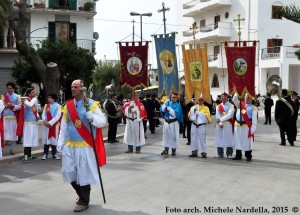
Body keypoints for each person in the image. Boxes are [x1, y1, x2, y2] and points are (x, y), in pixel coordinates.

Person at [57, 80, 107, 212]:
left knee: (83, 173)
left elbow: (102, 121)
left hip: (85, 145)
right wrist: (60, 141)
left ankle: (84, 200)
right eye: (72, 87)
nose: (72, 89)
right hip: (70, 144)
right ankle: (82, 194)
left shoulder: (91, 104)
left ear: (82, 89)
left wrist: (92, 118)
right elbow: (64, 125)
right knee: (68, 171)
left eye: (75, 87)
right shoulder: (68, 105)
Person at [17, 88, 40, 163]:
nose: (34, 93)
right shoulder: (25, 100)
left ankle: (29, 155)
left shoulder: (33, 101)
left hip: (33, 122)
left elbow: (36, 110)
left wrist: (37, 115)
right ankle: (25, 156)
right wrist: (35, 99)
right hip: (27, 124)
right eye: (33, 92)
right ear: (29, 94)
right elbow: (30, 105)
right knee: (27, 139)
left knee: (32, 138)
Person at [232, 93, 257, 161]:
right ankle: (238, 155)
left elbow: (254, 120)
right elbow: (234, 99)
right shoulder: (239, 104)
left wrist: (252, 129)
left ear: (252, 98)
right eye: (246, 97)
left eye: (249, 97)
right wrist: (238, 91)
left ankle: (248, 156)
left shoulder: (253, 107)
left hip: (247, 126)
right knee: (237, 140)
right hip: (237, 125)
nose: (247, 98)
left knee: (247, 141)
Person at [1, 81, 21, 155]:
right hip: (5, 117)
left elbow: (19, 106)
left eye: (11, 88)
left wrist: (12, 105)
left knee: (13, 134)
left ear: (13, 89)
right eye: (8, 88)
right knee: (4, 133)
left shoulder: (17, 96)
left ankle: (12, 150)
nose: (9, 90)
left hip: (13, 117)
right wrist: (6, 106)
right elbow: (1, 106)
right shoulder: (3, 96)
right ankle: (1, 149)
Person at [41, 93, 62, 160]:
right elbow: (43, 114)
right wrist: (45, 120)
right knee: (46, 140)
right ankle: (45, 154)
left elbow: (58, 116)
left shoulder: (58, 106)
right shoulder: (46, 106)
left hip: (54, 125)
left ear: (53, 98)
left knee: (54, 140)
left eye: (49, 97)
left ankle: (54, 154)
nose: (48, 98)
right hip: (46, 125)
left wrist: (50, 123)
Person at [214, 92, 235, 158]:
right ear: (220, 98)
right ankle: (220, 153)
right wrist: (220, 123)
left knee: (229, 139)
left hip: (228, 124)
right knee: (219, 138)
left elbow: (229, 115)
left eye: (225, 96)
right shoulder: (218, 106)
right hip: (220, 125)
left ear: (227, 98)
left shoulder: (231, 106)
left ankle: (229, 153)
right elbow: (217, 115)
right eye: (222, 96)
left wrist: (221, 120)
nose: (223, 98)